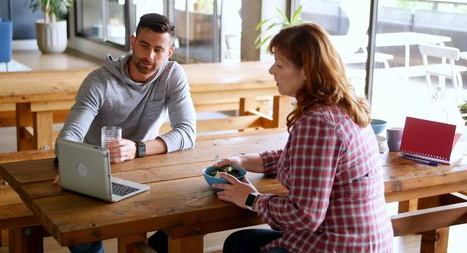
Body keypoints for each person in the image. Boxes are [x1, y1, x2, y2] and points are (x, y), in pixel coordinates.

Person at [212, 23, 394, 253]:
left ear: (306, 71)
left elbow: (306, 216)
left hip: (336, 245)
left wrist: (251, 199)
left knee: (239, 244)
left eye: (279, 64)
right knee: (239, 242)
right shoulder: (342, 106)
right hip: (367, 241)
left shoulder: (318, 123)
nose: (271, 71)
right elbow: (307, 161)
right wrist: (245, 161)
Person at [56, 13, 196, 253]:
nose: (149, 56)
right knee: (82, 234)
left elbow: (187, 132)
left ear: (169, 53)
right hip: (94, 170)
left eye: (158, 50)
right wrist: (68, 166)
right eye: (144, 45)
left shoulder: (173, 75)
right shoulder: (99, 81)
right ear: (132, 41)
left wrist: (138, 148)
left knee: (189, 212)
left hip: (145, 164)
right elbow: (69, 136)